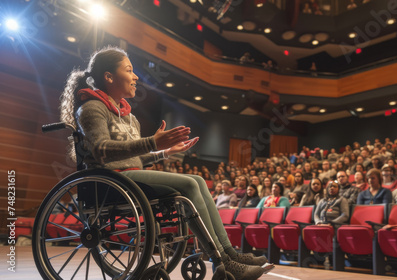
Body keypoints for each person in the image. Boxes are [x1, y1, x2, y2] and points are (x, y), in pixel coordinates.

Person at [61, 46, 268, 279]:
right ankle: (221, 260)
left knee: (198, 181)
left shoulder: (129, 116)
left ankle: (229, 254)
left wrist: (165, 151)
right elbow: (101, 152)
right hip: (111, 180)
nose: (136, 76)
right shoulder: (91, 108)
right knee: (191, 185)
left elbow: (134, 157)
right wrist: (151, 143)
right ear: (108, 77)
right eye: (129, 70)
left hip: (130, 177)